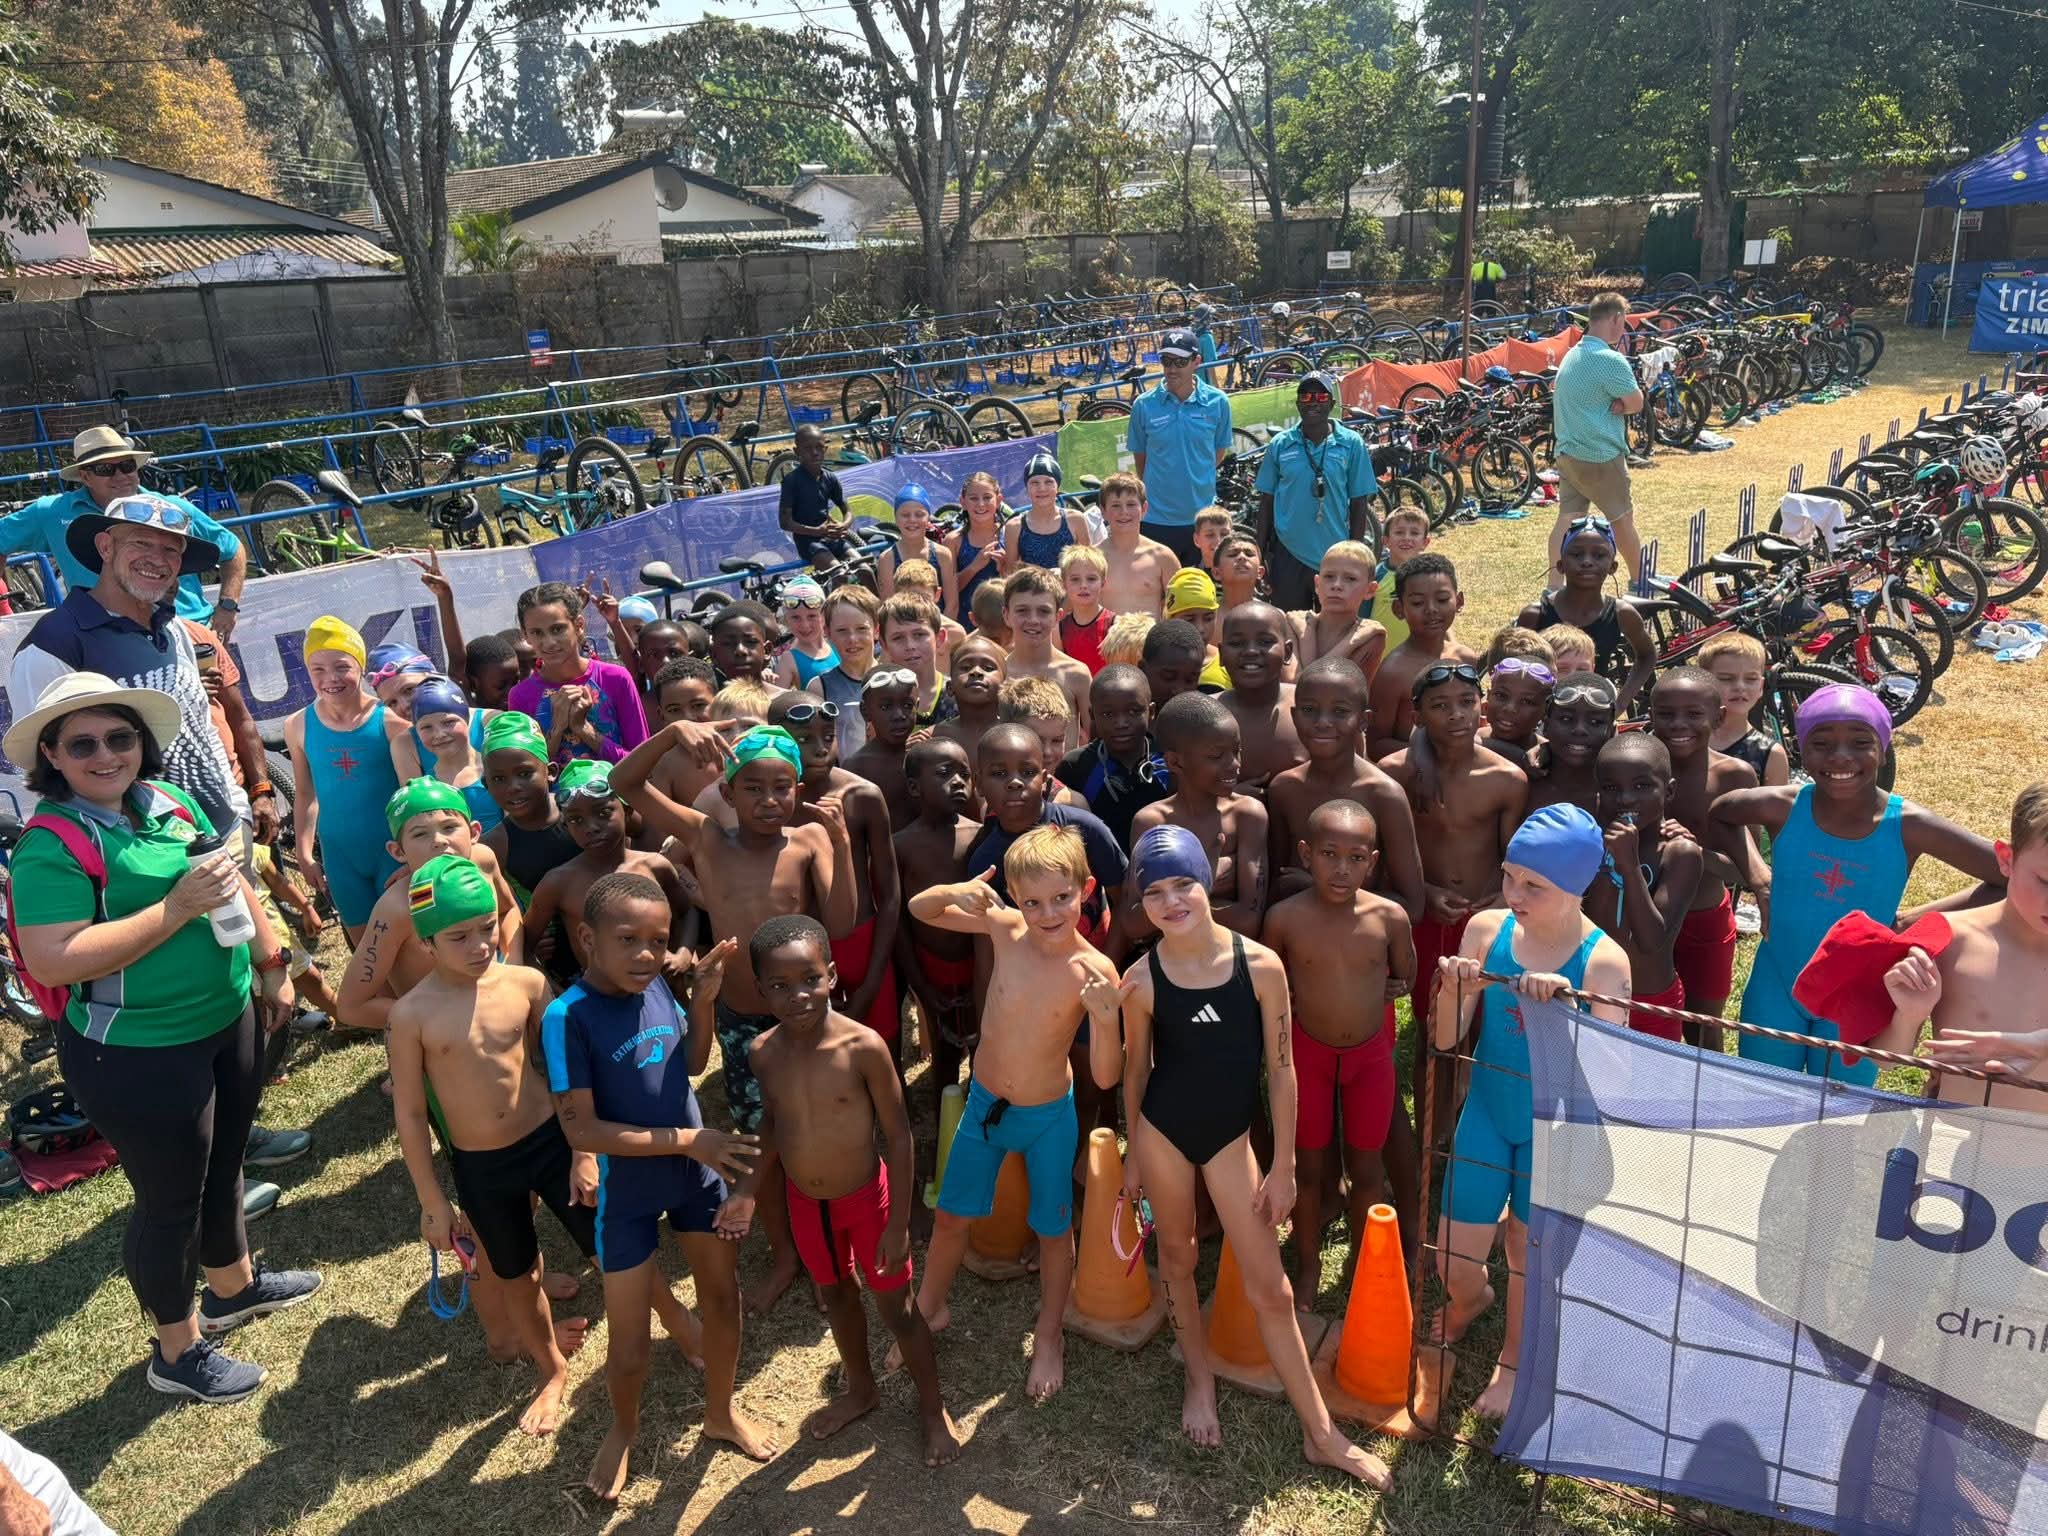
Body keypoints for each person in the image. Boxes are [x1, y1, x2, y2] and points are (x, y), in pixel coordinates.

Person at [7, 672, 318, 1405]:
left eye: (119, 737)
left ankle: (233, 1289)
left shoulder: (167, 800)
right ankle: (176, 1351)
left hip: (227, 1017)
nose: (105, 755)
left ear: (141, 742)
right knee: (169, 1202)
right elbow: (54, 958)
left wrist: (274, 964)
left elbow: (231, 879)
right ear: (52, 755)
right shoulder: (50, 845)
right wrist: (174, 909)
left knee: (224, 1164)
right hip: (136, 1051)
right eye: (82, 744)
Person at [1117, 826, 1390, 1484]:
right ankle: (1199, 1379)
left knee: (1273, 1288)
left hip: (1228, 1140)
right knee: (1177, 1259)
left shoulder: (1260, 966)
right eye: (1154, 893)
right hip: (1162, 1132)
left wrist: (1285, 1165)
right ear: (1141, 904)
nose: (1171, 902)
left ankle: (1322, 1435)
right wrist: (1132, 1157)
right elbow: (1135, 1074)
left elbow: (1282, 1070)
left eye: (1182, 884)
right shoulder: (1142, 979)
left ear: (1207, 880)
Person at [611, 721, 855, 1314]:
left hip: (806, 1021)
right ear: (727, 790)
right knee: (753, 1143)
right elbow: (625, 782)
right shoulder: (707, 838)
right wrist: (673, 732)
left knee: (814, 1131)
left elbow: (842, 922)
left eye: (782, 787)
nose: (770, 800)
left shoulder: (808, 842)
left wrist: (842, 844)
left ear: (798, 789)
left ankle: (826, 1253)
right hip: (743, 1020)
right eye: (753, 788)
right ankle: (785, 1254)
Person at [544, 877, 777, 1497]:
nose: (647, 954)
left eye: (659, 940)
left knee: (721, 1302)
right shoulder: (567, 1017)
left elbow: (692, 1064)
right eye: (629, 940)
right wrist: (688, 1140)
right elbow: (582, 1129)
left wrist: (702, 1002)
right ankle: (624, 1428)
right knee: (629, 1346)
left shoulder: (653, 988)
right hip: (629, 1193)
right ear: (588, 938)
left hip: (694, 1178)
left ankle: (720, 1412)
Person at [720, 915, 961, 1465]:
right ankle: (861, 1389)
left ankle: (932, 1409)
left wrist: (899, 1224)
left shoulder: (863, 1047)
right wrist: (747, 1189)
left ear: (830, 974)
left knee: (897, 1308)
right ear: (760, 991)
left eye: (809, 978)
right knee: (836, 1297)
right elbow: (773, 1123)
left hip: (867, 1202)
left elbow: (899, 1136)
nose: (798, 995)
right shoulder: (763, 1052)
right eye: (779, 985)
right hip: (809, 1206)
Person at [904, 825, 1125, 1401]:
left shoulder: (1094, 970)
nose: (1047, 913)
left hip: (1048, 1118)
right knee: (951, 1216)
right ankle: (928, 1308)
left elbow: (1106, 1077)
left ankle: (1049, 1335)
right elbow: (920, 908)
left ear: (1086, 890)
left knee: (1053, 1231)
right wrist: (956, 890)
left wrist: (1106, 1022)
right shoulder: (1004, 928)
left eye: (1061, 898)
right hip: (986, 1107)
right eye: (1032, 902)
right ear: (1014, 899)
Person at [1429, 805, 1631, 1421]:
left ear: (1576, 887)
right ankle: (1471, 1301)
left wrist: (1568, 1017)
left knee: (1526, 1250)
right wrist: (1456, 990)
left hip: (1558, 1129)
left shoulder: (1603, 963)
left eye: (1533, 885)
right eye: (1509, 876)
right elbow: (1444, 1039)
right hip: (1490, 1113)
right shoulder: (1486, 931)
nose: (1513, 894)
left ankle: (1513, 1362)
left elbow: (1613, 1084)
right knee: (1451, 1260)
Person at [387, 854, 590, 1436]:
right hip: (482, 1166)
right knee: (516, 1274)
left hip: (551, 1143)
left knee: (610, 1243)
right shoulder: (410, 1016)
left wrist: (587, 1148)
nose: (480, 945)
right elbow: (411, 1113)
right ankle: (550, 1369)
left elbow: (568, 1067)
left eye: (486, 928)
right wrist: (432, 1201)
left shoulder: (525, 984)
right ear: (426, 941)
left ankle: (677, 1324)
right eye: (459, 936)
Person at [1710, 685, 2004, 1086]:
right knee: (1763, 1094)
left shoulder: (1909, 825)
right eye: (1822, 743)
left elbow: (2008, 877)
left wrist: (1915, 921)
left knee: (1842, 1110)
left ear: (1883, 749)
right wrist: (1760, 877)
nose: (1840, 756)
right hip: (1776, 985)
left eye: (1861, 742)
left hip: (1858, 998)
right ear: (1801, 749)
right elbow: (1721, 814)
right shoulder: (1783, 806)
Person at [9, 493, 245, 846]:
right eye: (141, 543)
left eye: (171, 550)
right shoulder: (53, 644)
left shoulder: (173, 628)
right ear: (105, 547)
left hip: (223, 835)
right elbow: (42, 769)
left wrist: (238, 809)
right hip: (139, 857)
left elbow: (201, 727)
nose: (157, 559)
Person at [1264, 802, 1420, 1280]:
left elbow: (1406, 975)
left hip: (1369, 1057)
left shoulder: (1389, 917)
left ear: (1373, 862)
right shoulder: (1284, 918)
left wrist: (1393, 984)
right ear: (1306, 854)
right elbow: (1271, 983)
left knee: (1367, 1169)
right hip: (1308, 1055)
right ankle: (1309, 1267)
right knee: (1308, 1169)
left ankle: (1363, 1265)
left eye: (1356, 858)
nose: (1342, 869)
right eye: (1329, 854)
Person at [1876, 783, 2048, 1110]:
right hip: (1953, 1135)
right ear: (2006, 859)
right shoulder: (1948, 938)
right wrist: (1909, 1016)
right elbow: (1885, 1061)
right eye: (2045, 881)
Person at [1382, 662, 1529, 1014]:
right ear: (1417, 717)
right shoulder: (1393, 775)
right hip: (1425, 911)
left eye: (1466, 701)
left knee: (1484, 1009)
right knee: (1428, 1008)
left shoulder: (1507, 779)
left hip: (1486, 911)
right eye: (1440, 705)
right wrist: (1424, 893)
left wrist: (1502, 897)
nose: (1456, 714)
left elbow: (1513, 856)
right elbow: (1383, 853)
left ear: (1482, 707)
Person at [0, 425, 247, 633]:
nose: (120, 475)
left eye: (127, 465)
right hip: (106, 638)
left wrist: (228, 607)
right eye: (105, 469)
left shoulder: (173, 507)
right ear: (85, 477)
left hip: (189, 628)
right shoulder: (51, 513)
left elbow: (232, 549)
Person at [769, 691, 903, 1057]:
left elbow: (890, 894)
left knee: (883, 1053)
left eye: (827, 736)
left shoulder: (861, 796)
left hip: (862, 944)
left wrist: (873, 979)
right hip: (797, 951)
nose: (820, 749)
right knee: (817, 1059)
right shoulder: (769, 805)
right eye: (804, 739)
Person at [336, 777, 524, 1034]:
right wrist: (431, 1017)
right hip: (443, 1038)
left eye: (449, 827)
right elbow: (351, 1006)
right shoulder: (397, 909)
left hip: (499, 1009)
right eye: (420, 834)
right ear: (398, 851)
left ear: (474, 833)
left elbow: (508, 910)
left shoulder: (483, 862)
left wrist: (514, 962)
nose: (439, 840)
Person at [1648, 667, 1757, 1049]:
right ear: (1651, 715)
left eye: (1693, 714)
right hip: (1641, 917)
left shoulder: (1733, 776)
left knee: (1704, 1029)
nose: (1678, 724)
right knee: (1642, 1022)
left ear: (1719, 717)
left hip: (1704, 918)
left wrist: (1694, 853)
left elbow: (1744, 870)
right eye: (1666, 714)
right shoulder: (1632, 765)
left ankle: (1707, 1090)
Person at [1266, 656, 1425, 917]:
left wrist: (1316, 887)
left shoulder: (1384, 794)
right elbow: (1277, 884)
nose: (1323, 721)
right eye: (1309, 710)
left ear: (1364, 720)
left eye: (1340, 712)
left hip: (1363, 937)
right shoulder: (1284, 789)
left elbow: (1412, 906)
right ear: (1294, 716)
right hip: (1298, 933)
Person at [891, 737, 983, 1181]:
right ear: (914, 788)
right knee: (944, 1058)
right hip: (931, 967)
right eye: (944, 774)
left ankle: (984, 1135)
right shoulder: (901, 845)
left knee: (986, 1052)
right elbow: (899, 923)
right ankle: (945, 1147)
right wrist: (922, 988)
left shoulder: (980, 835)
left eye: (965, 773)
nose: (958, 782)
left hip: (980, 969)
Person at [285, 617, 407, 939]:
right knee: (367, 951)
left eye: (342, 667)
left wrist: (416, 855)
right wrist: (304, 853)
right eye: (318, 670)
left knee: (410, 946)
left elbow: (413, 793)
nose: (331, 678)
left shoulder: (390, 721)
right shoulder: (297, 726)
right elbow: (306, 794)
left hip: (394, 853)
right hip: (341, 859)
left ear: (361, 667)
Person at [522, 763, 692, 980]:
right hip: (596, 995)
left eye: (603, 813)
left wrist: (683, 954)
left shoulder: (654, 866)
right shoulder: (559, 883)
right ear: (566, 826)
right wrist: (552, 991)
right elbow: (523, 946)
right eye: (576, 820)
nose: (591, 827)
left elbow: (687, 912)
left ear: (627, 811)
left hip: (658, 987)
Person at [1585, 735, 1702, 1041]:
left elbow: (1651, 940)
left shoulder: (1680, 853)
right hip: (1589, 995)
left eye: (1641, 786)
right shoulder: (1590, 842)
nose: (1625, 798)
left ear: (1669, 791)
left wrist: (1629, 864)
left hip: (1650, 1004)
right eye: (1611, 788)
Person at [1129, 692, 1267, 939]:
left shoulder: (1247, 816)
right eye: (1216, 756)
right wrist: (1204, 881)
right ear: (1175, 763)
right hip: (1170, 955)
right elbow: (1132, 923)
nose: (1234, 764)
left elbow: (1248, 921)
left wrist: (1168, 906)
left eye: (1236, 751)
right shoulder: (1153, 822)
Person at [1254, 372, 1379, 612]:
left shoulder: (1351, 443)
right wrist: (1260, 555)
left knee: (1334, 625)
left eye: (1321, 396)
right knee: (1291, 625)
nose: (1313, 402)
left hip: (1335, 554)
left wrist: (1355, 555)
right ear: (1298, 403)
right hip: (1287, 554)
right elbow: (1266, 502)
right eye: (1306, 396)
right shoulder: (1280, 444)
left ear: (1332, 404)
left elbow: (1359, 503)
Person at [1547, 292, 1645, 586]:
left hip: (1568, 452)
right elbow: (1637, 402)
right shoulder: (1610, 360)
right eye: (1624, 322)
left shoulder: (1572, 355)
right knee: (1622, 520)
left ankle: (1554, 586)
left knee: (1567, 520)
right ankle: (1639, 580)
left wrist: (1620, 403)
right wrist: (1622, 405)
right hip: (1600, 455)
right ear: (1616, 318)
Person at [1517, 514, 1654, 707]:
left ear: (1613, 567)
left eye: (1599, 555)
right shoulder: (1535, 615)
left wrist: (1620, 704)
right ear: (1560, 565)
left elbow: (1647, 655)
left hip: (1593, 714)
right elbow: (1511, 666)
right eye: (1576, 554)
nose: (1587, 561)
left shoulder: (1621, 614)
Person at [509, 583, 649, 764]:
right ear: (526, 635)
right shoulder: (521, 696)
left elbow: (643, 762)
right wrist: (557, 729)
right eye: (537, 632)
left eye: (557, 629)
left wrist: (584, 729)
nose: (549, 642)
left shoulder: (615, 678)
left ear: (579, 625)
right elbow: (525, 771)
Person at [1129, 328, 1234, 565]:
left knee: (1203, 587)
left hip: (1202, 519)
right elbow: (1141, 462)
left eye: (1180, 361)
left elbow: (1217, 455)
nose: (1172, 368)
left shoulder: (1218, 402)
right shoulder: (1143, 405)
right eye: (1166, 361)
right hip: (1156, 520)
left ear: (1197, 361)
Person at [1368, 553, 1477, 760]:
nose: (1431, 609)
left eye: (1442, 599)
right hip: (1416, 774)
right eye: (1418, 603)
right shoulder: (1393, 672)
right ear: (1398, 609)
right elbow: (1376, 746)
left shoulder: (1466, 659)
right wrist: (1435, 757)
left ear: (1459, 601)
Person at [1055, 664, 1170, 848]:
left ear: (1151, 712)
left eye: (1133, 711)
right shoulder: (1076, 766)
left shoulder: (1170, 760)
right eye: (1108, 714)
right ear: (1092, 715)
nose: (1121, 723)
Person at [478, 713, 579, 909]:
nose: (513, 787)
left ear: (551, 772)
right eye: (499, 779)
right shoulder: (494, 846)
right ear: (486, 784)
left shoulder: (578, 811)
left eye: (524, 773)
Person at [394, 674, 499, 834]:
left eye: (449, 722)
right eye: (426, 727)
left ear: (467, 719)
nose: (440, 734)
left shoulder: (492, 767)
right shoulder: (424, 785)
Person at [1218, 601, 1305, 794]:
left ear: (1287, 652)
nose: (1251, 651)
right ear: (1221, 654)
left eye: (1265, 642)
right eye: (1237, 643)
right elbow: (1178, 792)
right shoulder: (1202, 715)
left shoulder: (1313, 707)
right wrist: (1228, 798)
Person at [999, 565, 1091, 736]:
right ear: (1006, 615)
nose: (1033, 620)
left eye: (1043, 611)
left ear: (1058, 616)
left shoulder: (1076, 674)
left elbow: (1096, 739)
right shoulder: (998, 674)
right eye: (1022, 611)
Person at [1289, 539, 1386, 680]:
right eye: (1329, 576)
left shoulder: (1371, 635)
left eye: (1350, 579)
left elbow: (1312, 685)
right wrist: (1351, 642)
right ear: (1317, 584)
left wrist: (1306, 634)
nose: (1337, 585)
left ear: (1370, 590)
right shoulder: (1293, 623)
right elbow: (1292, 683)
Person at [1700, 633, 1789, 784]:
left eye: (1751, 679)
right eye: (1726, 678)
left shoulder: (1770, 755)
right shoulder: (1686, 739)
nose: (1740, 687)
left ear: (1761, 687)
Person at [1525, 673, 1617, 818]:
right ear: (1546, 725)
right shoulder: (1522, 783)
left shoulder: (1619, 795)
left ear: (1612, 731)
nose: (1580, 729)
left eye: (1595, 722)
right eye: (1566, 719)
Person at [809, 585, 882, 759]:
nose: (852, 639)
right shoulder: (819, 687)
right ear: (827, 633)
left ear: (876, 630)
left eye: (861, 629)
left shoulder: (896, 678)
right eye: (842, 631)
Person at [1095, 471, 1180, 620]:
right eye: (1115, 505)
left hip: (1151, 634)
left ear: (1144, 508)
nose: (1124, 512)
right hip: (1107, 635)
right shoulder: (1093, 558)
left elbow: (1179, 608)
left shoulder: (1162, 557)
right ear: (1103, 511)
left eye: (1131, 504)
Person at [845, 667, 919, 829]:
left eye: (907, 705)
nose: (899, 715)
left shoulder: (927, 758)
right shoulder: (856, 767)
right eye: (885, 707)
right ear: (865, 711)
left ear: (917, 706)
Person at [779, 422, 856, 568]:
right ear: (797, 451)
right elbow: (785, 522)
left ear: (825, 449)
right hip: (808, 542)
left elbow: (848, 511)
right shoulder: (791, 481)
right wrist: (816, 532)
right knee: (838, 572)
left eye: (819, 447)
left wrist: (843, 525)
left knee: (864, 567)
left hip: (831, 538)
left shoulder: (830, 478)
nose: (815, 453)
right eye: (808, 448)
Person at [1001, 452, 1092, 573]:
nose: (1042, 488)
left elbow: (1088, 566)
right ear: (1027, 488)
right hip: (1030, 585)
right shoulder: (1015, 526)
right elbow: (1011, 573)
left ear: (1057, 487)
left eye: (1048, 482)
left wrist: (1062, 573)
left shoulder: (1075, 520)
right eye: (1035, 483)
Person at [878, 485, 960, 616]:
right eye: (905, 515)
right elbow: (888, 609)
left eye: (919, 514)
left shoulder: (942, 555)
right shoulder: (887, 559)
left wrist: (938, 628)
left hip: (939, 625)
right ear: (896, 519)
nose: (912, 520)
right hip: (902, 626)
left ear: (928, 518)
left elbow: (952, 605)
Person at [878, 594, 956, 731]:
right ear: (884, 645)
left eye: (919, 634)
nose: (910, 645)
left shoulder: (958, 696)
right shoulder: (877, 699)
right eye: (898, 638)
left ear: (939, 638)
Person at [933, 632, 1004, 767]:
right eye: (965, 668)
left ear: (1005, 686)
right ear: (950, 687)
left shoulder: (1017, 735)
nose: (976, 671)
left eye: (988, 668)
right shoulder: (935, 737)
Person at [1365, 506, 1430, 653]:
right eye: (1399, 532)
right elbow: (1361, 618)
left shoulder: (1430, 577)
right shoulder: (1375, 576)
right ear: (1386, 540)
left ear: (1425, 542)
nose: (1406, 537)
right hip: (1380, 657)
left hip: (1420, 656)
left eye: (1414, 533)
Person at [947, 470, 1007, 625]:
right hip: (966, 621)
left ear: (998, 500)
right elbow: (947, 592)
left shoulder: (1009, 535)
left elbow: (1020, 588)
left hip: (1004, 622)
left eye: (987, 497)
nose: (981, 504)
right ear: (963, 502)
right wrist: (974, 567)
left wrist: (1004, 570)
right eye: (974, 498)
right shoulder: (954, 541)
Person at [1162, 569, 1232, 691]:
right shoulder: (1157, 666)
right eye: (1190, 619)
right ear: (1170, 619)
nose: (1200, 628)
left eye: (1208, 618)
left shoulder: (1228, 664)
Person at [998, 676, 1081, 777]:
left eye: (1057, 741)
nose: (1047, 752)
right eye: (1036, 740)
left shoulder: (1067, 788)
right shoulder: (986, 784)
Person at [769, 579, 839, 692]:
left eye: (812, 616)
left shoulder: (837, 644)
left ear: (823, 615)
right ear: (786, 619)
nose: (804, 625)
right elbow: (777, 700)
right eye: (795, 617)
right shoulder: (788, 660)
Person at [1057, 544, 1114, 674]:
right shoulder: (1058, 629)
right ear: (1064, 584)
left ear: (1103, 583)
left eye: (1091, 579)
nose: (1083, 585)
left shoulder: (1115, 626)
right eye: (1075, 579)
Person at [1141, 617, 1211, 712]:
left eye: (1190, 680)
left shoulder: (1204, 717)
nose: (1179, 690)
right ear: (1143, 670)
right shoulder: (1125, 717)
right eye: (1168, 677)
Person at [706, 603, 774, 688]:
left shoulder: (787, 696)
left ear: (767, 650)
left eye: (750, 641)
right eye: (728, 643)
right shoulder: (706, 696)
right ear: (714, 655)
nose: (740, 650)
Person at [1213, 531, 1265, 614]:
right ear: (1216, 573)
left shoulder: (1275, 616)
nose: (1242, 557)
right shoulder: (1205, 614)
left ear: (1260, 572)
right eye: (1232, 554)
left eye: (1249, 554)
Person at [1192, 507, 1234, 574]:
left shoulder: (1243, 574)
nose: (1218, 541)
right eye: (1210, 535)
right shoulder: (1191, 576)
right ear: (1197, 540)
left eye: (1224, 534)